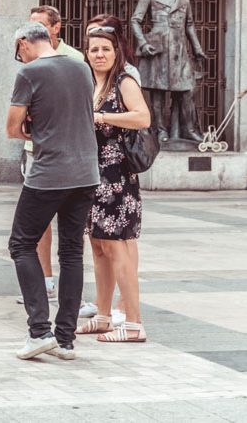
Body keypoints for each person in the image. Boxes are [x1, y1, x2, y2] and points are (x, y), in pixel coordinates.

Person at [7, 21, 99, 361]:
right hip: (86, 171)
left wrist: (34, 131)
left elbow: (12, 128)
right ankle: (66, 339)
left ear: (24, 43)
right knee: (72, 251)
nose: (21, 58)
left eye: (19, 52)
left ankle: (39, 331)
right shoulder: (81, 67)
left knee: (21, 243)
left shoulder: (30, 73)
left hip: (49, 173)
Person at [77, 26, 150, 343]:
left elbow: (142, 117)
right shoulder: (91, 84)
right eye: (94, 49)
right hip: (92, 178)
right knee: (99, 248)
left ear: (117, 52)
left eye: (105, 48)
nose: (99, 54)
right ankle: (104, 315)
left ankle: (134, 323)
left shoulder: (124, 82)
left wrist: (104, 118)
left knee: (117, 249)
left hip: (117, 177)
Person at [21, 5, 85, 304]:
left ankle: (48, 321)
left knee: (68, 243)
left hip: (67, 158)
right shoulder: (28, 62)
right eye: (30, 26)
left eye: (40, 26)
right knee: (40, 226)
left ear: (55, 28)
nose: (33, 32)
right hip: (37, 150)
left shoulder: (76, 60)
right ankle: (44, 279)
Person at [131, 0, 206, 143]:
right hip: (159, 48)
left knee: (188, 90)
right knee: (159, 92)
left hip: (179, 50)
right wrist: (143, 43)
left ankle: (189, 129)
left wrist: (197, 48)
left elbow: (189, 24)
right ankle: (160, 130)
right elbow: (135, 20)